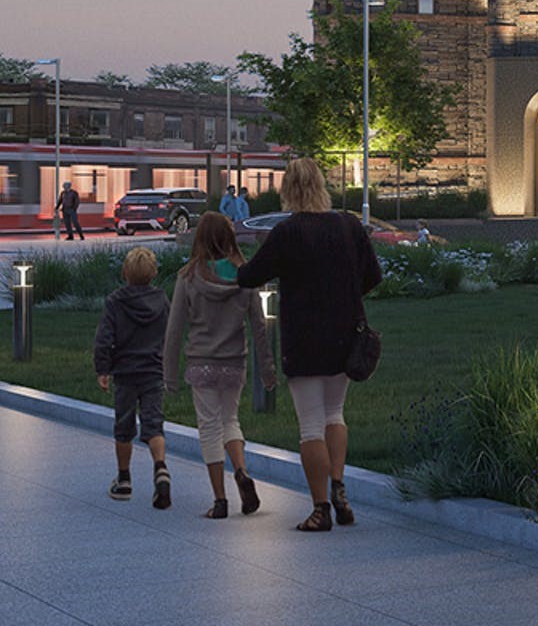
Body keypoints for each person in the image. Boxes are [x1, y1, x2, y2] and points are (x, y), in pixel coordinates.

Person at [237, 156, 381, 533]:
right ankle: (339, 487)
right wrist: (347, 297)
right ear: (321, 185)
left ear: (288, 190)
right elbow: (373, 275)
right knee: (336, 414)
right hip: (346, 336)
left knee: (310, 426)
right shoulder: (349, 225)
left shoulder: (289, 232)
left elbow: (251, 275)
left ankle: (320, 509)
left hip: (305, 339)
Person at [162, 211, 269, 519]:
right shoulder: (244, 275)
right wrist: (268, 368)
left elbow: (174, 329)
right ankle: (242, 472)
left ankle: (220, 501)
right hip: (234, 362)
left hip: (201, 362)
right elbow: (259, 324)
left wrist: (169, 376)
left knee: (209, 428)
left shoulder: (188, 277)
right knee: (230, 420)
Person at [94, 247, 172, 508]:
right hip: (153, 370)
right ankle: (160, 468)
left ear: (124, 272)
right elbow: (169, 335)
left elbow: (104, 338)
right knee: (154, 423)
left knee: (124, 426)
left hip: (125, 373)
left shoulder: (116, 301)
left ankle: (124, 479)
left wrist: (102, 369)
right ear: (154, 273)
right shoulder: (162, 300)